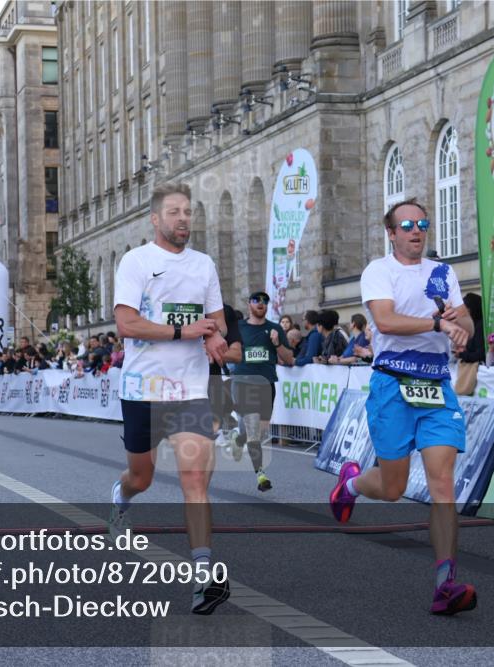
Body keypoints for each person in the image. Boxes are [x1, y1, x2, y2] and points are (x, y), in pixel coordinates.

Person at [331, 199, 477, 616]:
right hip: (393, 384)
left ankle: (445, 583)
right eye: (408, 225)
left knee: (442, 483)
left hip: (436, 386)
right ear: (392, 233)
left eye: (422, 224)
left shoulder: (442, 272)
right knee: (393, 489)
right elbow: (387, 321)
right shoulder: (379, 271)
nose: (417, 231)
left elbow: (467, 325)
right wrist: (438, 323)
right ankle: (351, 484)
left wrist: (460, 324)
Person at [109, 182, 230, 615]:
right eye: (174, 212)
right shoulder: (137, 261)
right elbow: (126, 324)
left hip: (191, 391)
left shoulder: (203, 264)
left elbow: (217, 321)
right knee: (140, 478)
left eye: (188, 212)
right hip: (143, 389)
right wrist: (184, 331)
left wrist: (214, 336)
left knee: (194, 481)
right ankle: (121, 498)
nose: (183, 219)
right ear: (156, 219)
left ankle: (204, 576)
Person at [229, 291, 293, 491]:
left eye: (265, 301)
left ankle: (238, 439)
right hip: (243, 382)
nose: (261, 303)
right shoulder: (238, 328)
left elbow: (289, 359)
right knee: (253, 430)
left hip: (266, 384)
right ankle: (260, 475)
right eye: (256, 300)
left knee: (260, 431)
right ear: (249, 304)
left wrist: (277, 343)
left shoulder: (275, 329)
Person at [207, 303, 244, 452]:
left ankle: (222, 433)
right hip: (174, 387)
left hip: (210, 385)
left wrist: (209, 349)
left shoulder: (225, 311)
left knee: (202, 452)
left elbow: (237, 355)